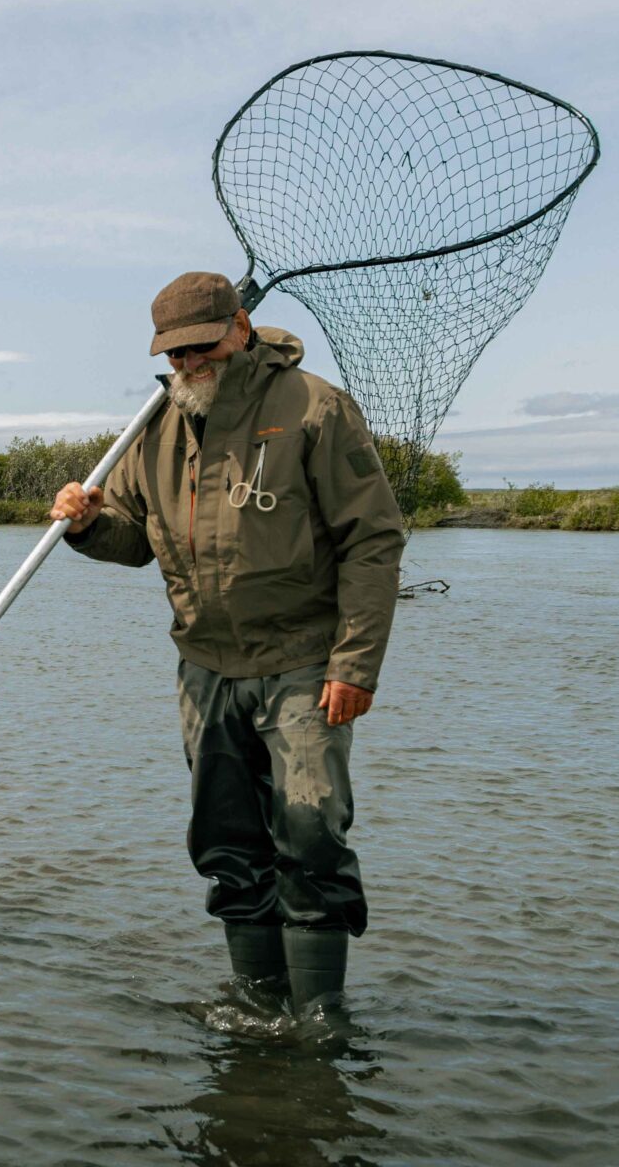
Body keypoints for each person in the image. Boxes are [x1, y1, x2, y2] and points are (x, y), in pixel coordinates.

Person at [51, 272, 404, 1013]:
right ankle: (255, 1006)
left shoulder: (315, 407)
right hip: (205, 666)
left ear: (240, 328)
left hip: (304, 662)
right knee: (226, 842)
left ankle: (319, 1024)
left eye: (200, 348)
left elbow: (372, 540)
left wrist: (356, 664)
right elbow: (133, 541)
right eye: (174, 354)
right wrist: (84, 525)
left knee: (309, 832)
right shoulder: (156, 425)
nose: (188, 365)